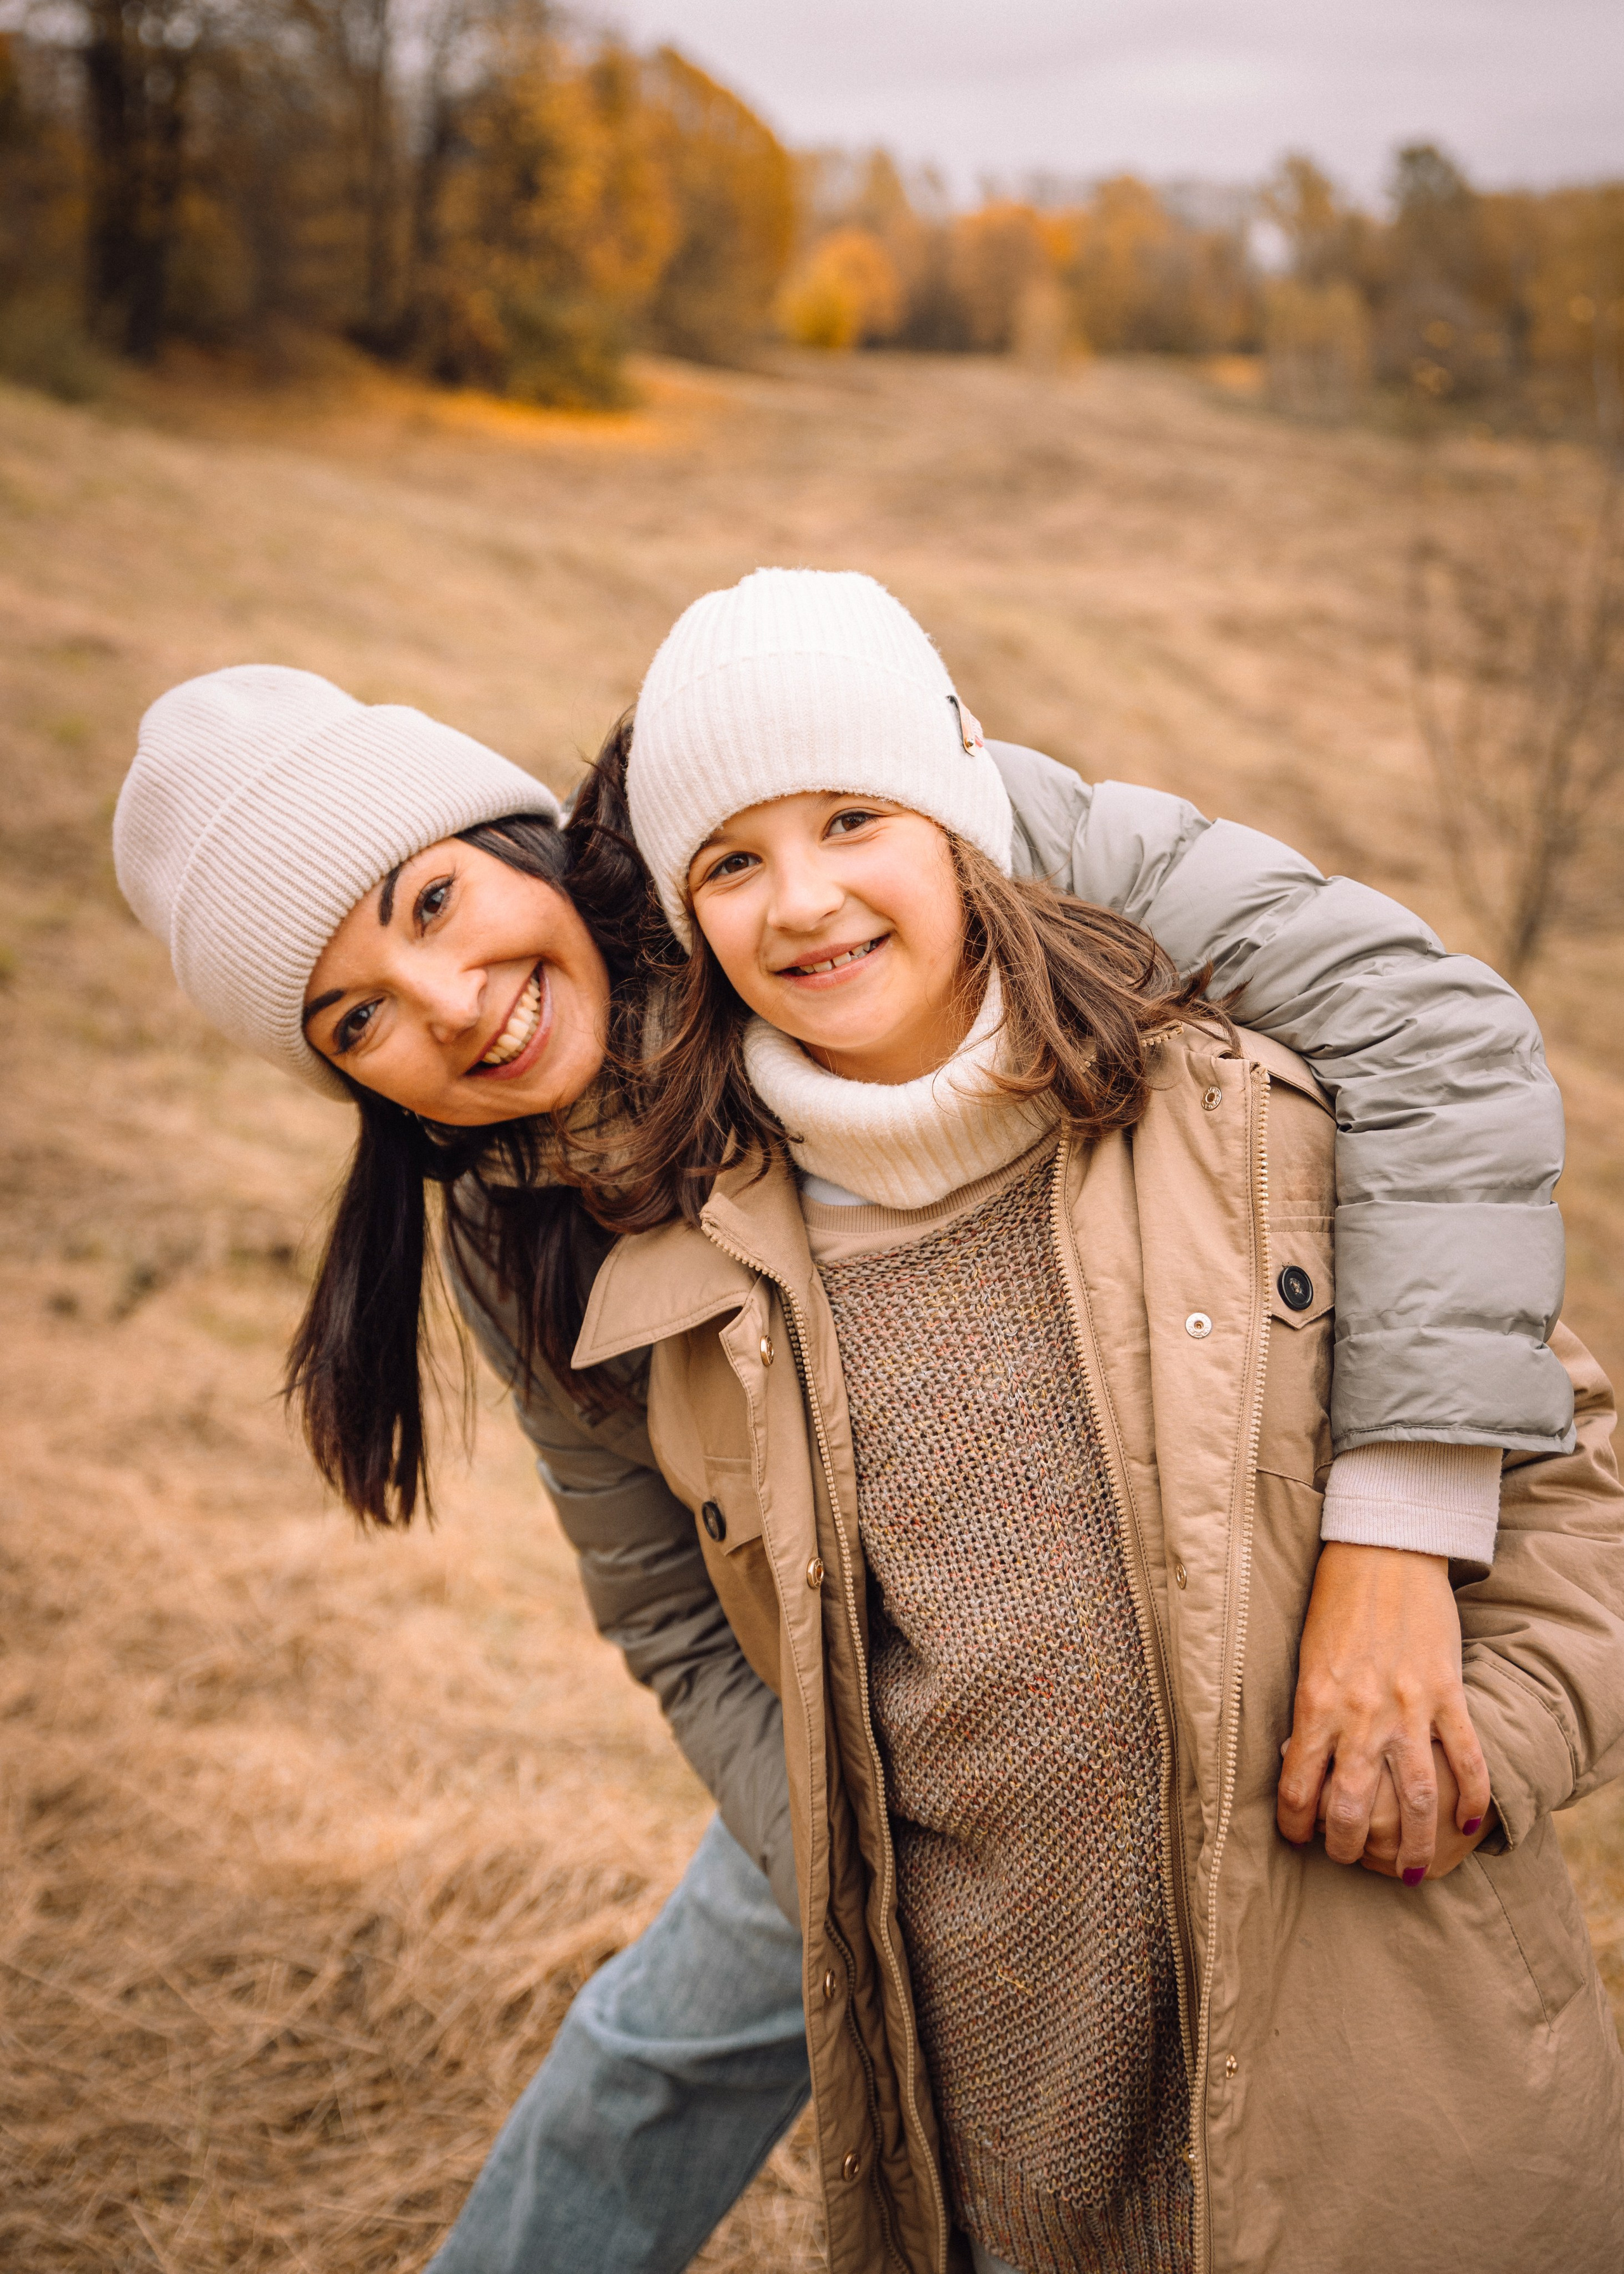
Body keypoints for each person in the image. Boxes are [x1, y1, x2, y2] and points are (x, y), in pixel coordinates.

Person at [111, 644, 1578, 2271]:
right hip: (879, 1730)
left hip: (1207, 1607)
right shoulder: (510, 1223)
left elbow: (1427, 1029)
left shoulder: (843, 833)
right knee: (654, 2057)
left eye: (434, 902)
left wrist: (1393, 1531)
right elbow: (668, 1609)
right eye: (358, 1015)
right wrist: (851, 1857)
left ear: (519, 841)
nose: (449, 1002)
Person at [575, 566, 1624, 2273]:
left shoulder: (1244, 1128)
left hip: (1387, 2125)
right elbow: (727, 1655)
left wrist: (1469, 1758)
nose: (805, 899)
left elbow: (1580, 1508)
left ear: (963, 822)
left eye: (852, 817)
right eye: (731, 862)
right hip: (1005, 2159)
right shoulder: (708, 1290)